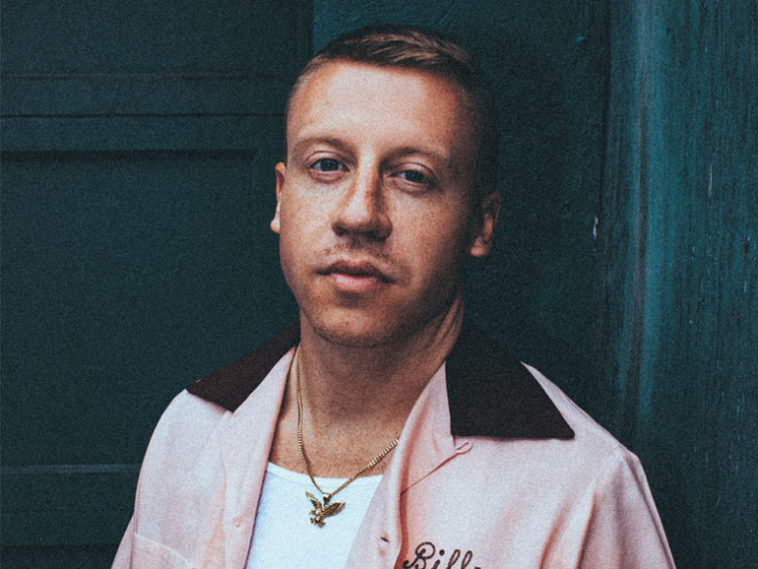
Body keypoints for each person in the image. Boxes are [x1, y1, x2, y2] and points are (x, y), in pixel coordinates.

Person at [113, 25, 676, 569]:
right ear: (282, 197)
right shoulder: (192, 430)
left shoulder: (580, 489)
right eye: (327, 165)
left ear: (481, 224)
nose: (360, 214)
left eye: (412, 176)